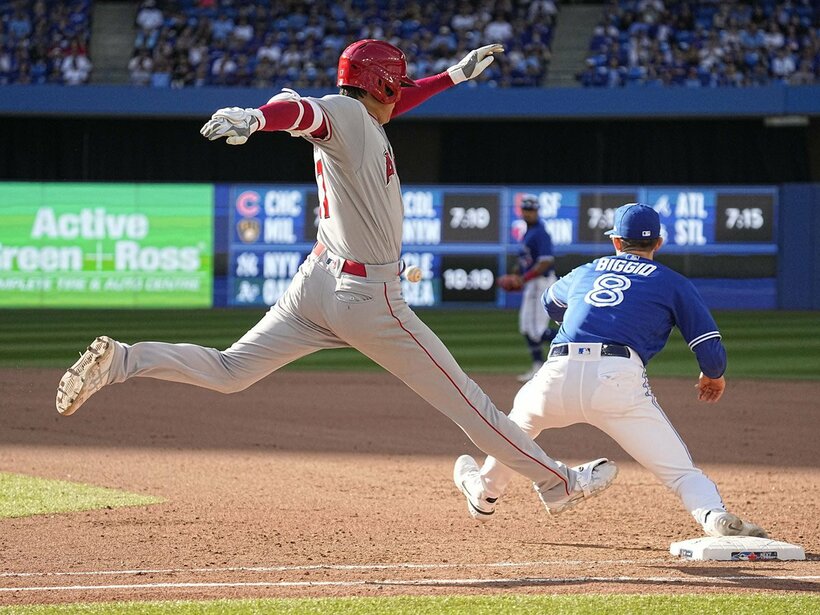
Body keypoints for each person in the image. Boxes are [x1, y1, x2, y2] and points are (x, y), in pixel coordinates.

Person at [55, 39, 617, 519]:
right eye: (396, 83)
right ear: (381, 86)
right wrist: (256, 118)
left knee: (230, 371)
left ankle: (125, 360)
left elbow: (337, 106)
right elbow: (303, 114)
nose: (401, 91)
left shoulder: (359, 116)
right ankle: (559, 483)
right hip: (367, 299)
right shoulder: (348, 118)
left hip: (316, 285)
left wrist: (451, 76)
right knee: (471, 406)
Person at [454, 203, 768, 538]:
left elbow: (550, 302)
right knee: (678, 472)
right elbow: (708, 345)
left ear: (616, 241)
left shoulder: (586, 270)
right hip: (617, 380)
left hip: (557, 373)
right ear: (658, 243)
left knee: (515, 433)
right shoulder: (671, 282)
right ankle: (712, 516)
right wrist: (713, 375)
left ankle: (484, 494)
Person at [502, 194, 558, 382]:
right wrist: (517, 273)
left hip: (540, 283)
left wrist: (522, 279)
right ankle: (538, 366)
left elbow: (545, 262)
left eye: (532, 209)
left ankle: (577, 343)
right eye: (526, 209)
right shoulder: (529, 232)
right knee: (526, 327)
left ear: (537, 211)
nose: (528, 213)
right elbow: (526, 260)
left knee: (537, 331)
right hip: (532, 283)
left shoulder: (540, 232)